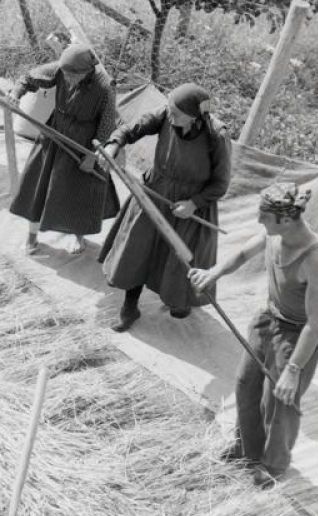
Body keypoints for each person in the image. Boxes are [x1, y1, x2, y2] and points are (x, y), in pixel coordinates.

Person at [189, 182, 318, 489]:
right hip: (267, 320)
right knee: (245, 385)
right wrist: (212, 273)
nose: (258, 221)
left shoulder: (317, 257)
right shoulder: (274, 234)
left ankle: (273, 465)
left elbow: (315, 323)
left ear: (286, 219)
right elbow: (243, 253)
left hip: (297, 335)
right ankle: (247, 449)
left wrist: (293, 370)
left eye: (263, 216)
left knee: (279, 403)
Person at [99, 83, 232, 331]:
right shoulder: (166, 114)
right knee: (138, 248)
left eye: (177, 114)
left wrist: (194, 203)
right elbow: (131, 129)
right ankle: (130, 306)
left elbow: (221, 183)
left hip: (191, 204)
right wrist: (114, 143)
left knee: (180, 257)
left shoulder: (217, 136)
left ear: (195, 117)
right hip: (155, 192)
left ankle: (178, 300)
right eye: (170, 110)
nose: (171, 116)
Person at [8, 43, 120, 254]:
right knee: (38, 184)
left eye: (71, 76)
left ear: (86, 71)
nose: (66, 79)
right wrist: (16, 93)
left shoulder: (105, 87)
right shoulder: (61, 69)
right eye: (65, 75)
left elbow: (107, 125)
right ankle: (31, 236)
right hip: (54, 133)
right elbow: (29, 78)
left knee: (78, 193)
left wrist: (92, 157)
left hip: (83, 143)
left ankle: (79, 237)